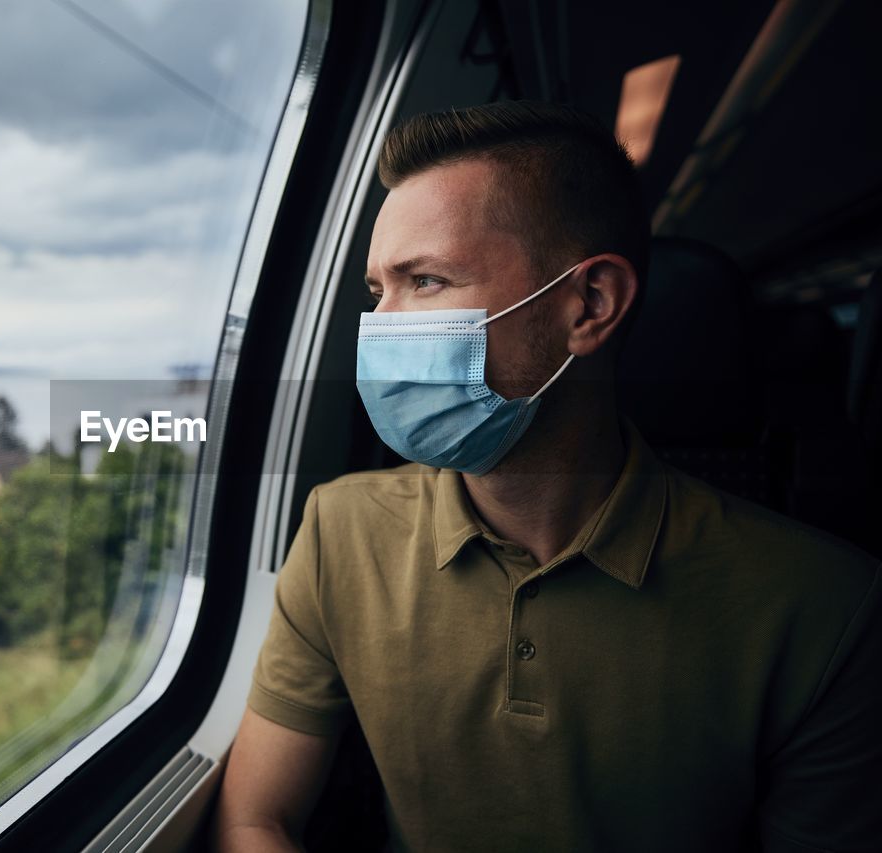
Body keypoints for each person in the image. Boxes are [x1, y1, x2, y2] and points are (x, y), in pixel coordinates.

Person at [210, 101, 881, 852]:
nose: (383, 327)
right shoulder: (339, 528)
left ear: (589, 305)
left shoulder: (822, 608)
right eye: (378, 291)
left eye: (425, 281)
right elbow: (254, 819)